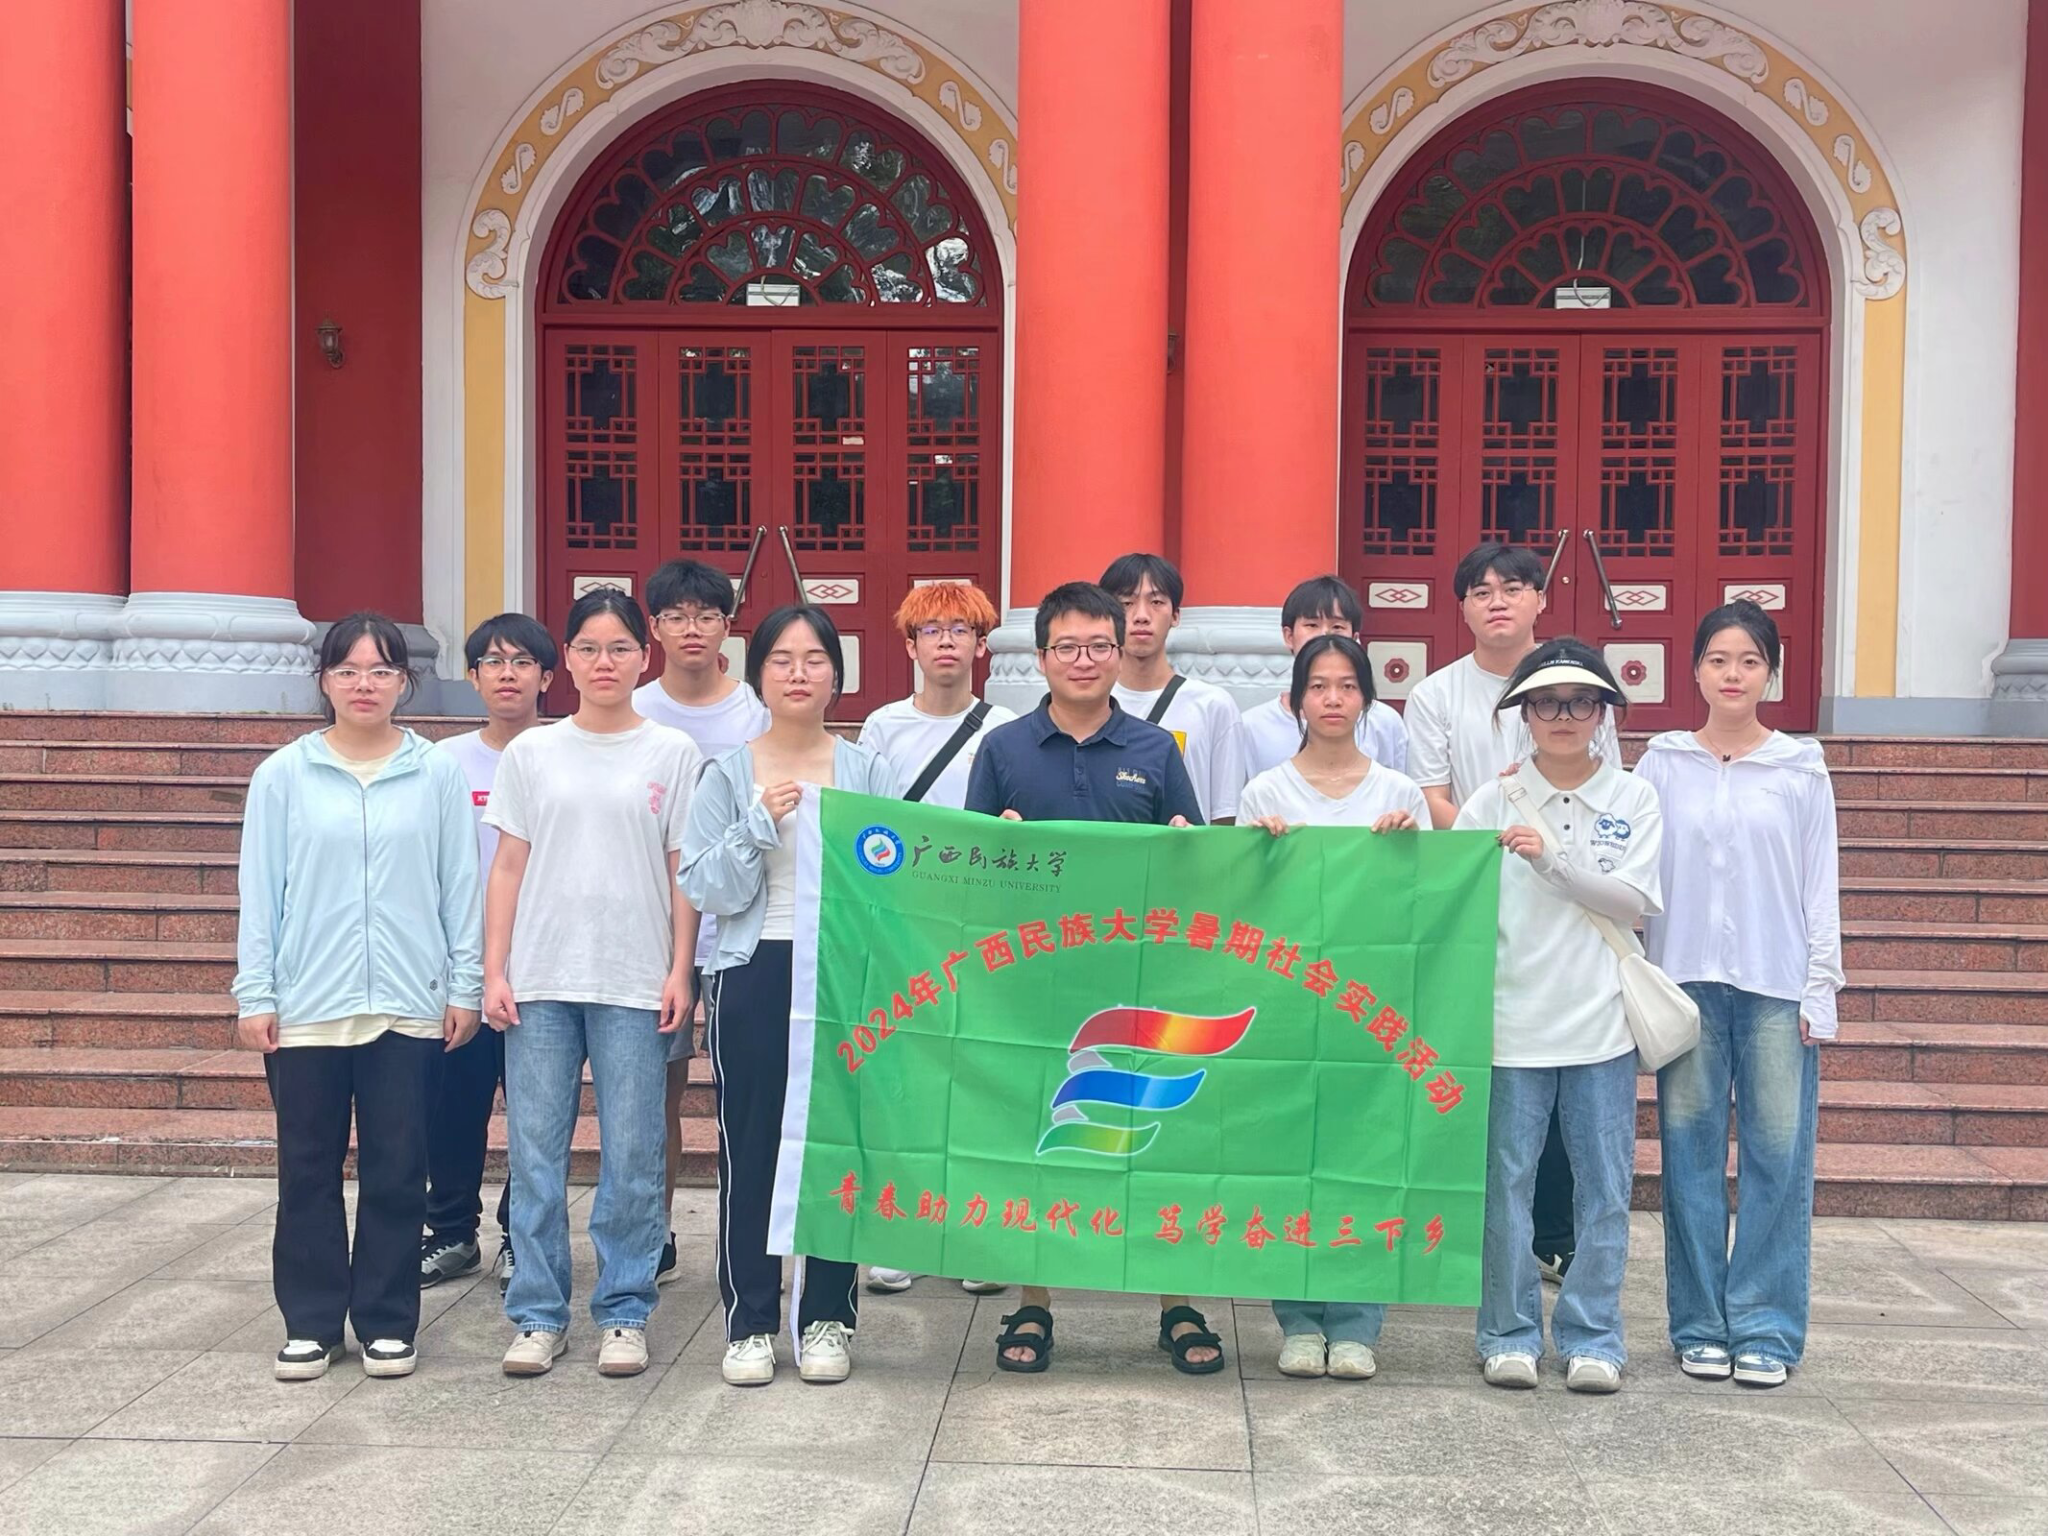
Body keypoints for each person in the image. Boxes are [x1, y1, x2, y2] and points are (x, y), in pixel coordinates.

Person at [964, 582, 1225, 1376]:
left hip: (1140, 977)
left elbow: (1197, 864)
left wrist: (1182, 842)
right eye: (1067, 647)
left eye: (1098, 646)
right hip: (1034, 982)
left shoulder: (1156, 750)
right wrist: (997, 845)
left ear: (1120, 652)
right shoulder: (1003, 750)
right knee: (1040, 1137)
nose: (1084, 660)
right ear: (1042, 657)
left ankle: (1176, 1301)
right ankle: (1034, 1300)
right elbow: (969, 872)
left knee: (1159, 1135)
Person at [232, 612, 482, 1382]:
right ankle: (311, 1323)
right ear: (324, 680)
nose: (363, 684)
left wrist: (464, 985)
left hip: (407, 1002)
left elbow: (460, 886)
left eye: (380, 671)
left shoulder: (435, 772)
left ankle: (386, 1321)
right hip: (307, 1004)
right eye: (347, 670)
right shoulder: (283, 775)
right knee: (306, 1170)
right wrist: (255, 993)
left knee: (398, 1169)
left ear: (405, 681)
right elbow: (260, 892)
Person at [680, 604, 902, 1388]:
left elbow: (897, 883)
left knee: (838, 1145)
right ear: (758, 674)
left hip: (843, 975)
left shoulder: (867, 771)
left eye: (814, 660)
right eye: (782, 659)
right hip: (755, 968)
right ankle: (749, 1322)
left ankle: (828, 1317)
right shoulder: (727, 773)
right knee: (752, 1146)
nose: (799, 673)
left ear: (837, 675)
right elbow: (705, 888)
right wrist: (755, 826)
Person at [484, 589, 703, 1380]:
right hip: (541, 978)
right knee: (536, 1155)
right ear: (565, 662)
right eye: (587, 648)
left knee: (635, 1156)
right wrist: (494, 969)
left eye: (619, 648)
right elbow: (508, 867)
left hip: (636, 978)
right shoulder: (532, 754)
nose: (603, 662)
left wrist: (681, 969)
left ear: (644, 657)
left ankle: (624, 1310)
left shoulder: (672, 752)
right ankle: (538, 1315)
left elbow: (683, 870)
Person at [1635, 602, 1843, 1389]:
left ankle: (1765, 1327)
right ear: (1694, 670)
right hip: (1685, 982)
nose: (1732, 674)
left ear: (1771, 674)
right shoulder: (1661, 763)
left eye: (1749, 661)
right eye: (1718, 659)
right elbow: (1629, 860)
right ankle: (1698, 1325)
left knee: (1777, 1159)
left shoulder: (1800, 768)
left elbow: (1819, 882)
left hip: (1774, 985)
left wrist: (1821, 986)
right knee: (1688, 1158)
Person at [1407, 542, 1619, 1283]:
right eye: (1481, 591)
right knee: (1489, 1077)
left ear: (1540, 599)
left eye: (1513, 587)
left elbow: (1605, 786)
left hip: (1568, 904)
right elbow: (1430, 795)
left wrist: (1552, 853)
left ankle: (1554, 1236)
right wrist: (1489, 835)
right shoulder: (1435, 694)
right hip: (1479, 897)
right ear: (1462, 607)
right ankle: (1480, 1238)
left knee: (1561, 1082)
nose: (1497, 601)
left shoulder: (1582, 685)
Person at [1455, 638, 1662, 1395]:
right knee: (1505, 1185)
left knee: (1603, 1188)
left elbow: (1632, 903)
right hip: (1511, 1021)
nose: (1564, 716)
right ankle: (1507, 1333)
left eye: (1580, 702)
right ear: (1524, 714)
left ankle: (1593, 1336)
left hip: (1602, 1023)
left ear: (1603, 713)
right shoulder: (1491, 801)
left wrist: (1552, 860)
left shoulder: (1633, 797)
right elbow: (1449, 896)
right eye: (1546, 703)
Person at [1241, 634, 1429, 1381]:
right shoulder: (1265, 794)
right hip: (1289, 1005)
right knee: (1291, 1157)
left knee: (1366, 1157)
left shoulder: (1400, 795)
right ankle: (1296, 1318)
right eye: (1317, 686)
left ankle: (1357, 1321)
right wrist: (1257, 853)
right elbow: (1242, 910)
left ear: (1367, 700)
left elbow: (1425, 903)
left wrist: (1411, 849)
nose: (1332, 699)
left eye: (1347, 685)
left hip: (1373, 1010)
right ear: (1295, 700)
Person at [855, 580, 1015, 1300]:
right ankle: (903, 1232)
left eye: (960, 629)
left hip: (983, 926)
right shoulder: (882, 727)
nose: (946, 641)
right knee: (908, 1079)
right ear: (910, 645)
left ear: (981, 646)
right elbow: (867, 822)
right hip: (906, 923)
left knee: (981, 1078)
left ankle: (978, 1232)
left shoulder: (1006, 728)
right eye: (931, 630)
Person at [632, 559, 771, 1286]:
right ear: (653, 628)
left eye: (707, 615)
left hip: (742, 937)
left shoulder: (757, 715)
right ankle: (654, 1233)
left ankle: (748, 1240)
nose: (692, 629)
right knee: (658, 1094)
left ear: (728, 626)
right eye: (676, 616)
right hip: (651, 935)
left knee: (744, 1100)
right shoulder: (634, 709)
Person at [422, 613, 556, 1297]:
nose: (508, 674)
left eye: (522, 661)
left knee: (536, 1117)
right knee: (453, 1109)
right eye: (494, 662)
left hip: (545, 968)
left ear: (547, 677)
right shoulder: (443, 763)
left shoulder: (564, 753)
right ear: (472, 677)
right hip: (463, 972)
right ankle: (450, 1231)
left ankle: (519, 1237)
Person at [1100, 552, 1248, 824]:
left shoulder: (1213, 706)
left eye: (1156, 602)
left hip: (1187, 851)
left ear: (1176, 615)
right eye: (1126, 603)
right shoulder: (1090, 703)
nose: (1141, 616)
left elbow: (1226, 818)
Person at [1239, 575, 1408, 778]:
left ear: (1355, 638)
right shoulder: (1252, 726)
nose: (1325, 635)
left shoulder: (1384, 722)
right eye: (1312, 625)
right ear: (1289, 636)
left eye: (1337, 627)